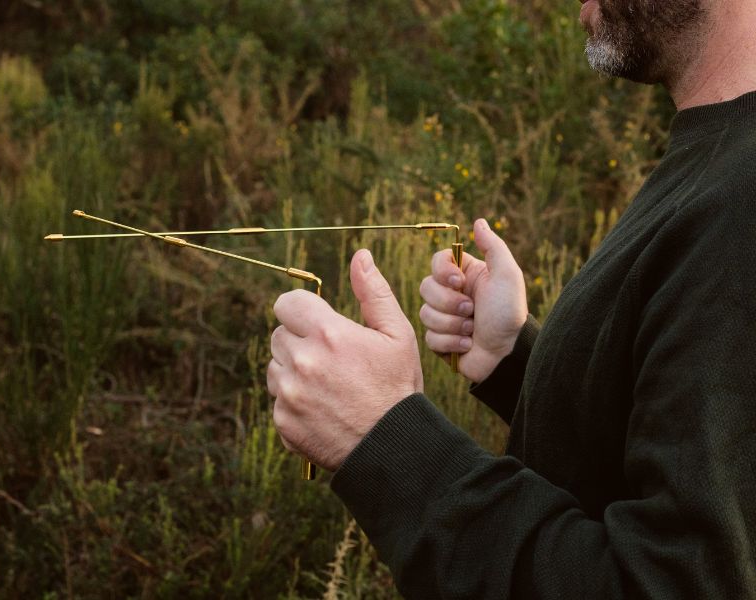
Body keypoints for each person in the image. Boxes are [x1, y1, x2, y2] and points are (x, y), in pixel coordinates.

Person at [267, 0, 756, 596]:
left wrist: (384, 440)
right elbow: (675, 447)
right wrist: (516, 360)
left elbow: (661, 583)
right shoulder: (720, 158)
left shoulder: (742, 201)